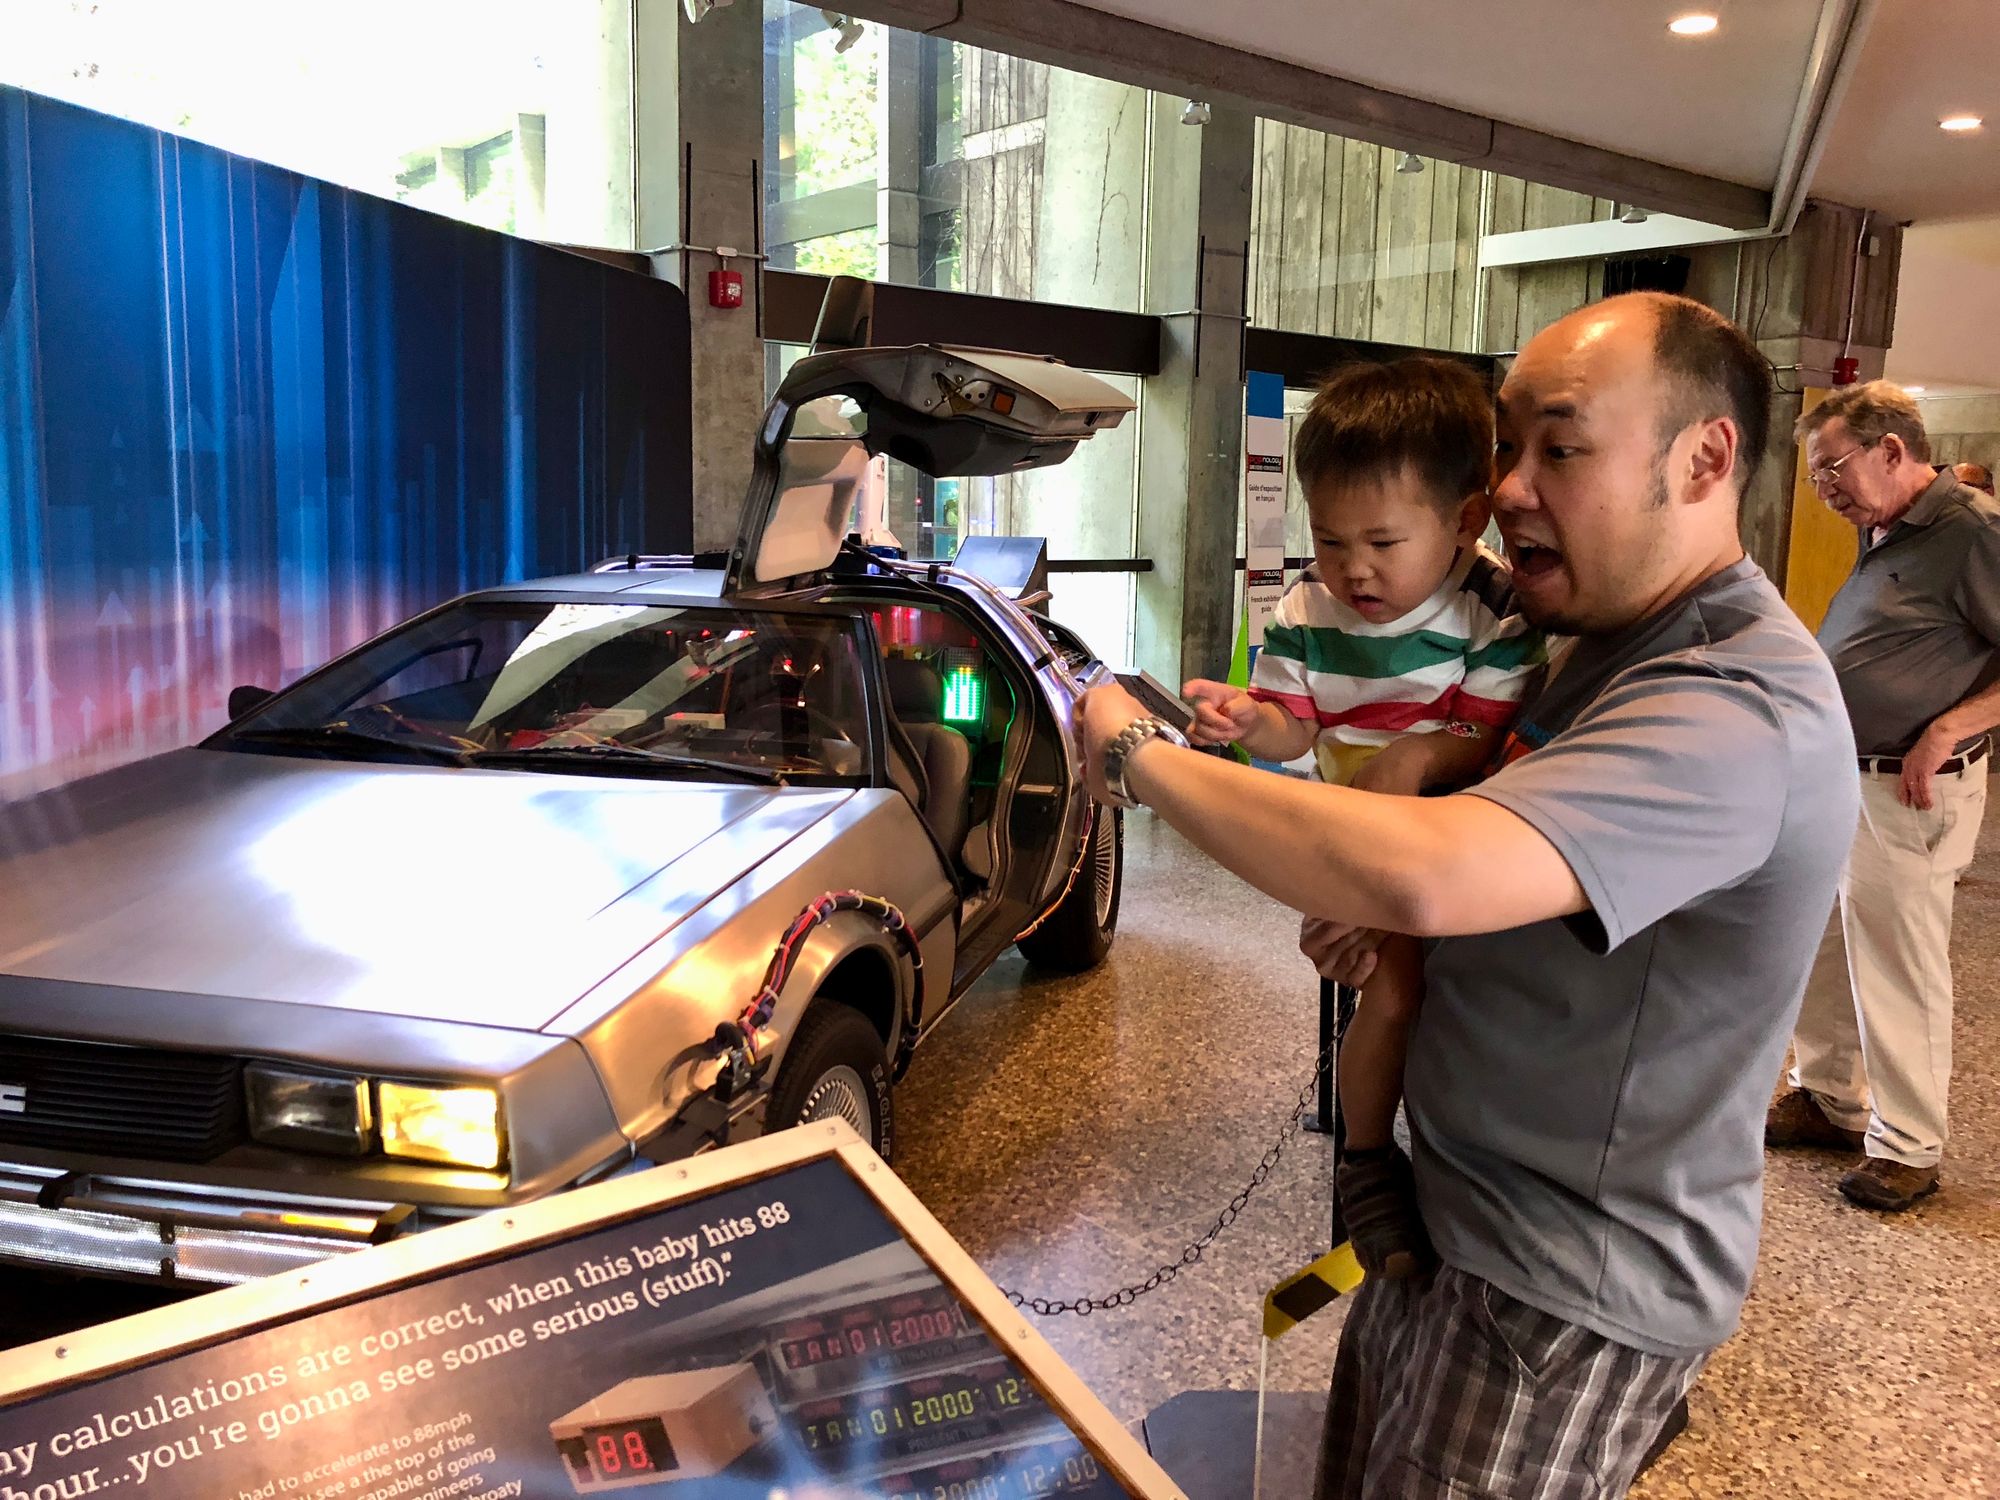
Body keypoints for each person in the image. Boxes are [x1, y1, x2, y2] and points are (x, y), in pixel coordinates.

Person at [1076, 291, 1857, 1499]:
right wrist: (1416, 768)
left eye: (1560, 446)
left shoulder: (1729, 701)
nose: (1505, 488)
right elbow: (1473, 793)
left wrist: (1138, 755)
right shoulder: (1595, 639)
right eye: (1506, 446)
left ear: (1703, 459)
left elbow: (1423, 875)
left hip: (1555, 1292)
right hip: (1447, 1220)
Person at [1179, 356, 1542, 1278]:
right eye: (1331, 540)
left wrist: (1408, 766)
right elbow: (1292, 728)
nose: (1354, 569)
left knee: (1437, 1008)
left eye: (1381, 542)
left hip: (1454, 850)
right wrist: (1245, 718)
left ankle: (1429, 1165)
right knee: (1390, 997)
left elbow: (1478, 735)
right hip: (1356, 851)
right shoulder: (1307, 605)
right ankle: (1367, 1160)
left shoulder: (1493, 608)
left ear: (1465, 519)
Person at [1769, 384, 2000, 1210]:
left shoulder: (1970, 530)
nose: (1824, 487)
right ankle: (1829, 1097)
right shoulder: (1887, 529)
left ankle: (1909, 1143)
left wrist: (1950, 728)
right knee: (1827, 945)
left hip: (1908, 787)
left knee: (1898, 964)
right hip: (1843, 778)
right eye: (1816, 475)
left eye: (1833, 468)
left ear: (1892, 450)